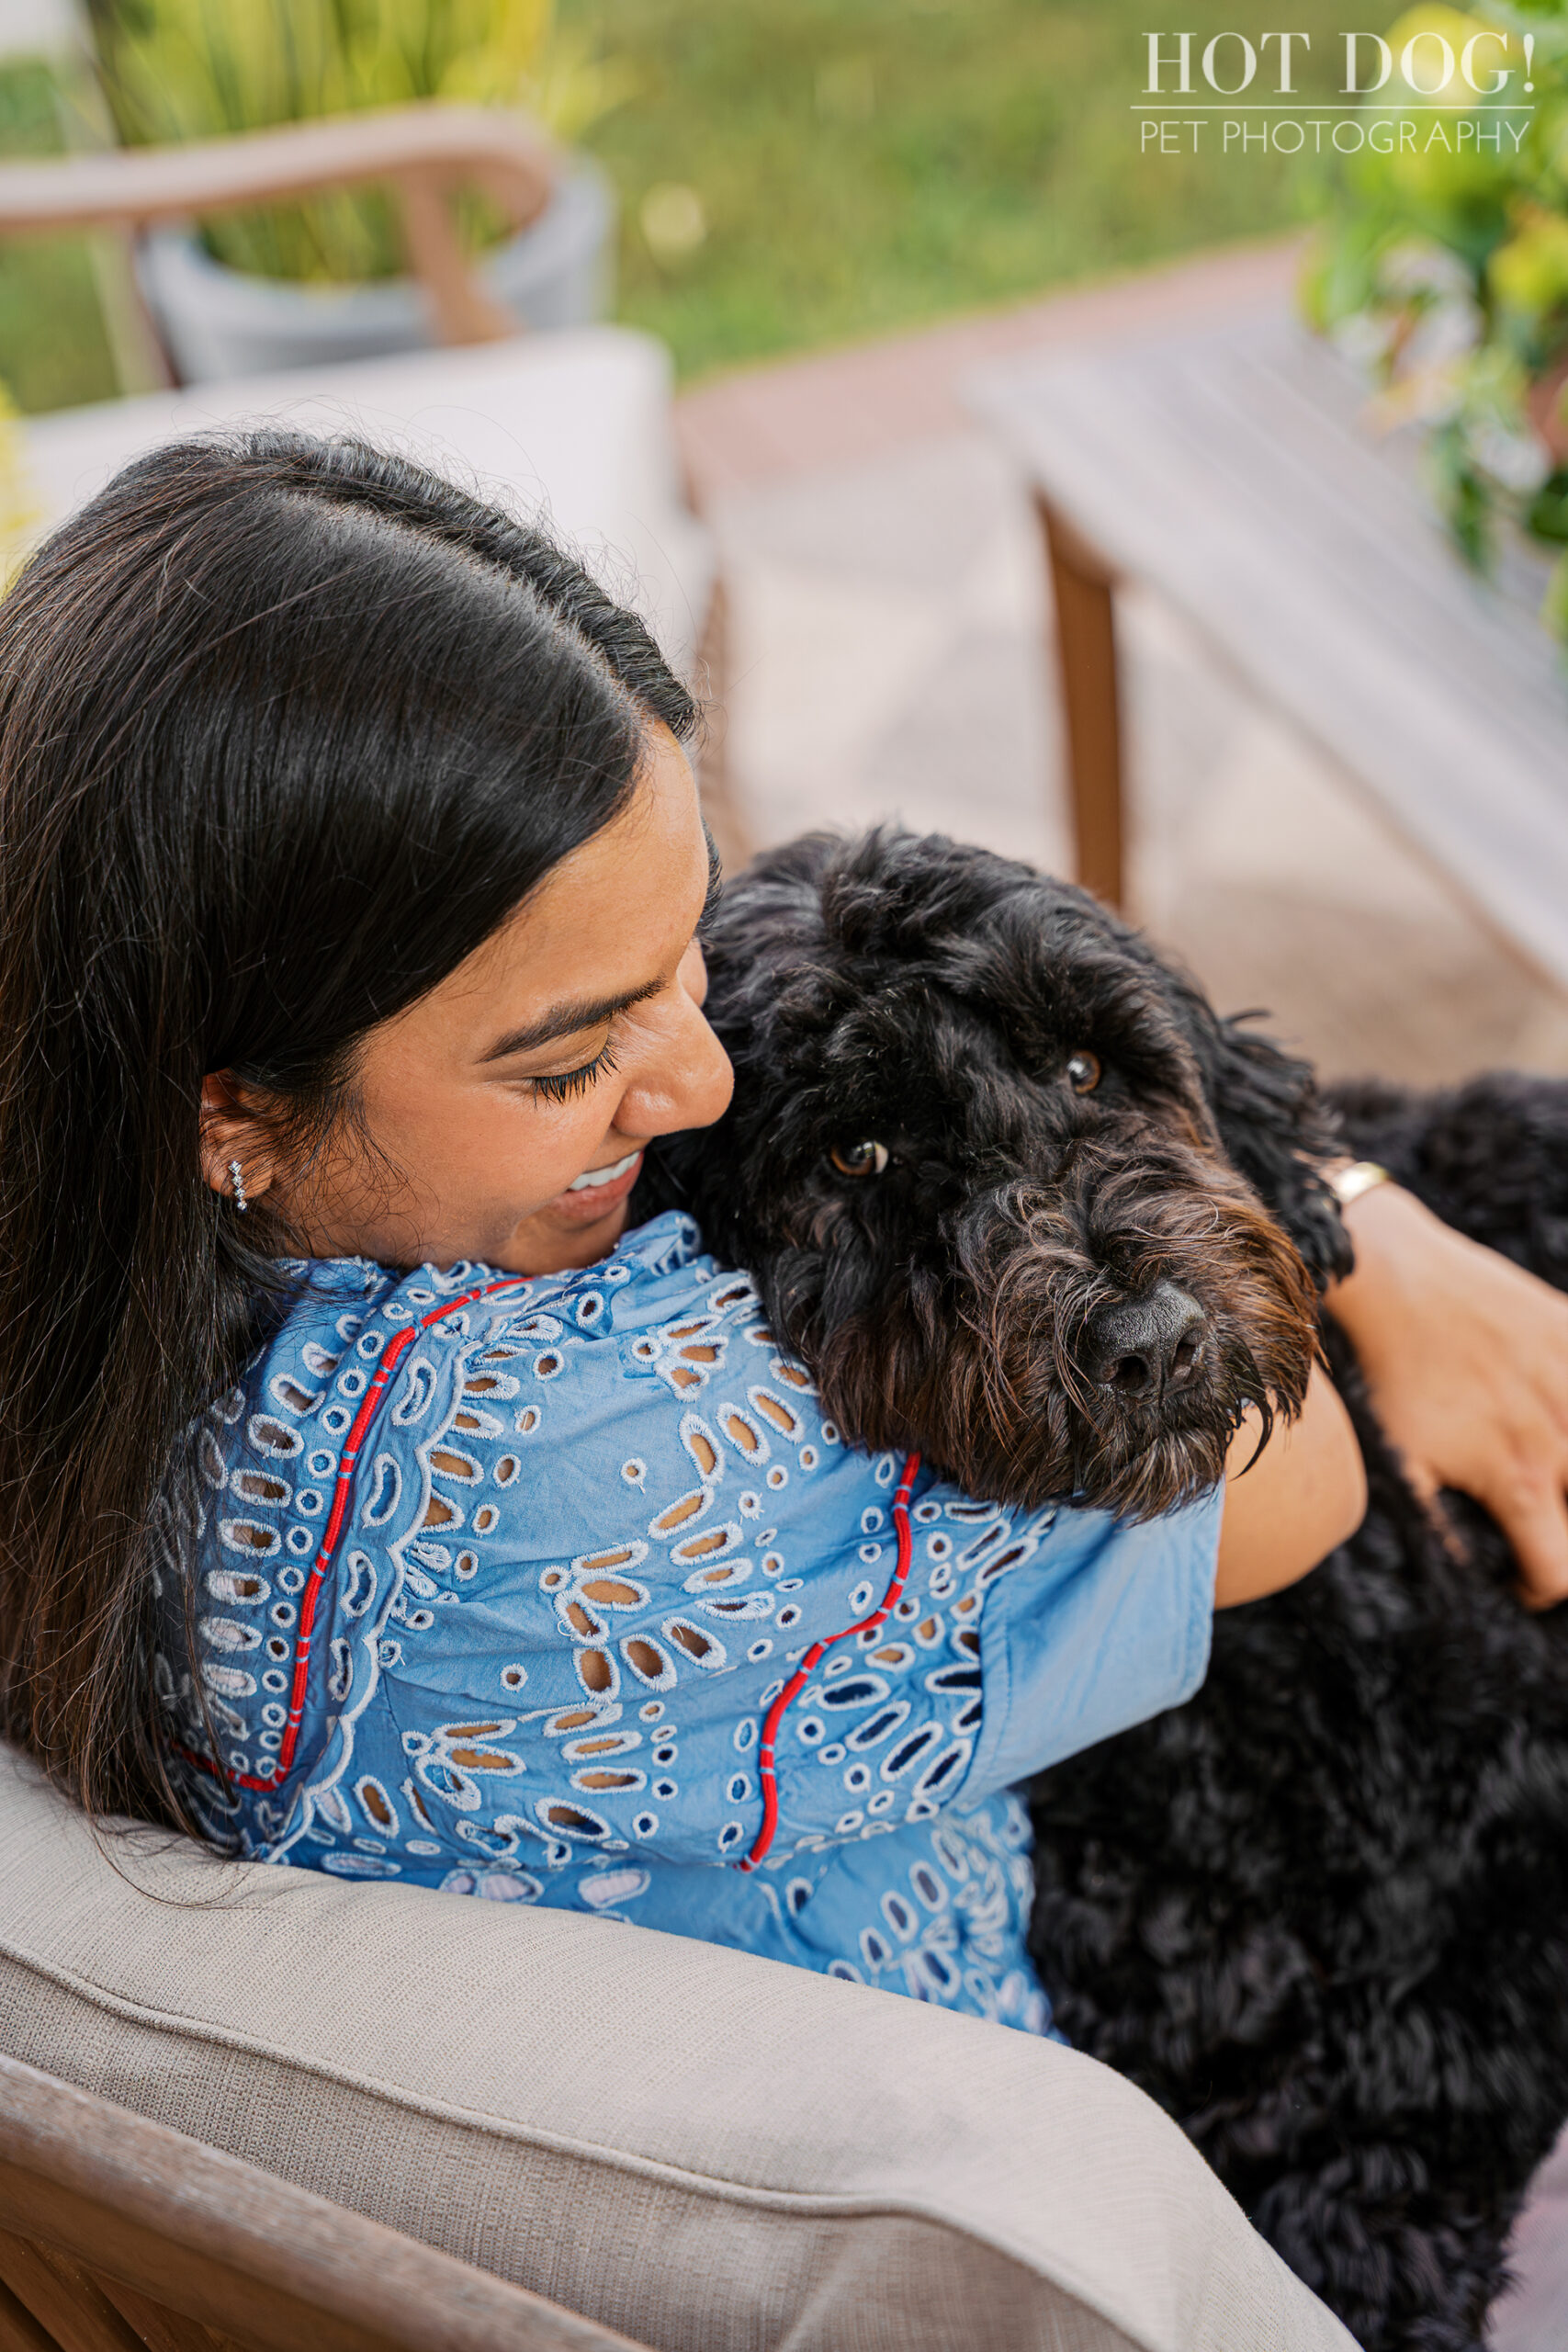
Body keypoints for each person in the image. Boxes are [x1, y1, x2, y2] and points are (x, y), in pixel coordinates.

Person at [0, 436, 1559, 2033]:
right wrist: (1372, 1222)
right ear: (233, 1115)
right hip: (1030, 2121)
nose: (704, 1077)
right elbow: (1283, 1483)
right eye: (564, 1060)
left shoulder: (106, 1317)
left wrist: (1363, 1199)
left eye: (690, 945)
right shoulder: (555, 1472)